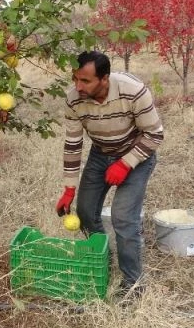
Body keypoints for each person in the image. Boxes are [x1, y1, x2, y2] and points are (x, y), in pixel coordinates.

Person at [55, 50, 164, 298]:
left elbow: (155, 134)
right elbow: (73, 144)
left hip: (136, 154)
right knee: (85, 212)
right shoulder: (74, 100)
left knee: (123, 217)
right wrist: (69, 189)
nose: (78, 86)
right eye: (75, 79)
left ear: (104, 78)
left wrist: (125, 164)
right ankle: (102, 261)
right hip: (100, 154)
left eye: (85, 81)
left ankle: (133, 285)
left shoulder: (132, 91)